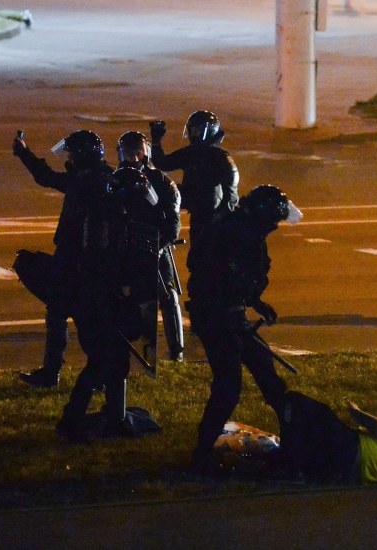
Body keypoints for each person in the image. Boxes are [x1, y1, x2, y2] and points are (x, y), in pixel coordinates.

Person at [184, 184, 303, 474]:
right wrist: (240, 303)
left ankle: (295, 443)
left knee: (268, 376)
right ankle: (201, 455)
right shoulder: (242, 237)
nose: (276, 226)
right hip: (219, 318)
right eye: (274, 221)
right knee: (228, 387)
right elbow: (229, 278)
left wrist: (255, 303)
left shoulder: (232, 227)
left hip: (225, 314)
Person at [56, 166, 165, 442]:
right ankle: (73, 420)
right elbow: (107, 265)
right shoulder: (110, 221)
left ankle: (113, 415)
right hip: (101, 303)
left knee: (114, 361)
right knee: (102, 362)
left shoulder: (104, 214)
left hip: (97, 300)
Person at [13, 130, 113, 388]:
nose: (68, 158)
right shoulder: (95, 177)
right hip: (74, 257)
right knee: (64, 313)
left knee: (76, 316)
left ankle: (72, 372)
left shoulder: (89, 181)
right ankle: (73, 372)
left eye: (72, 153)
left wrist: (24, 153)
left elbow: (46, 177)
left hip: (80, 259)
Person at [116, 130, 185, 362]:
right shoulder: (115, 179)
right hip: (126, 249)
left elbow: (173, 223)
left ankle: (176, 350)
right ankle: (139, 350)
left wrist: (159, 245)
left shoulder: (163, 182)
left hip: (156, 246)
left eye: (138, 152)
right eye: (129, 153)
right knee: (128, 297)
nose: (134, 159)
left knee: (168, 295)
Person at [149, 110, 239, 246]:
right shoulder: (191, 153)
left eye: (197, 130)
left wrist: (218, 218)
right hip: (196, 213)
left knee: (210, 257)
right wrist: (156, 140)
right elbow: (163, 163)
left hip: (213, 216)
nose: (193, 134)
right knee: (196, 257)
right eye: (192, 130)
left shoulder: (221, 158)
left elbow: (231, 195)